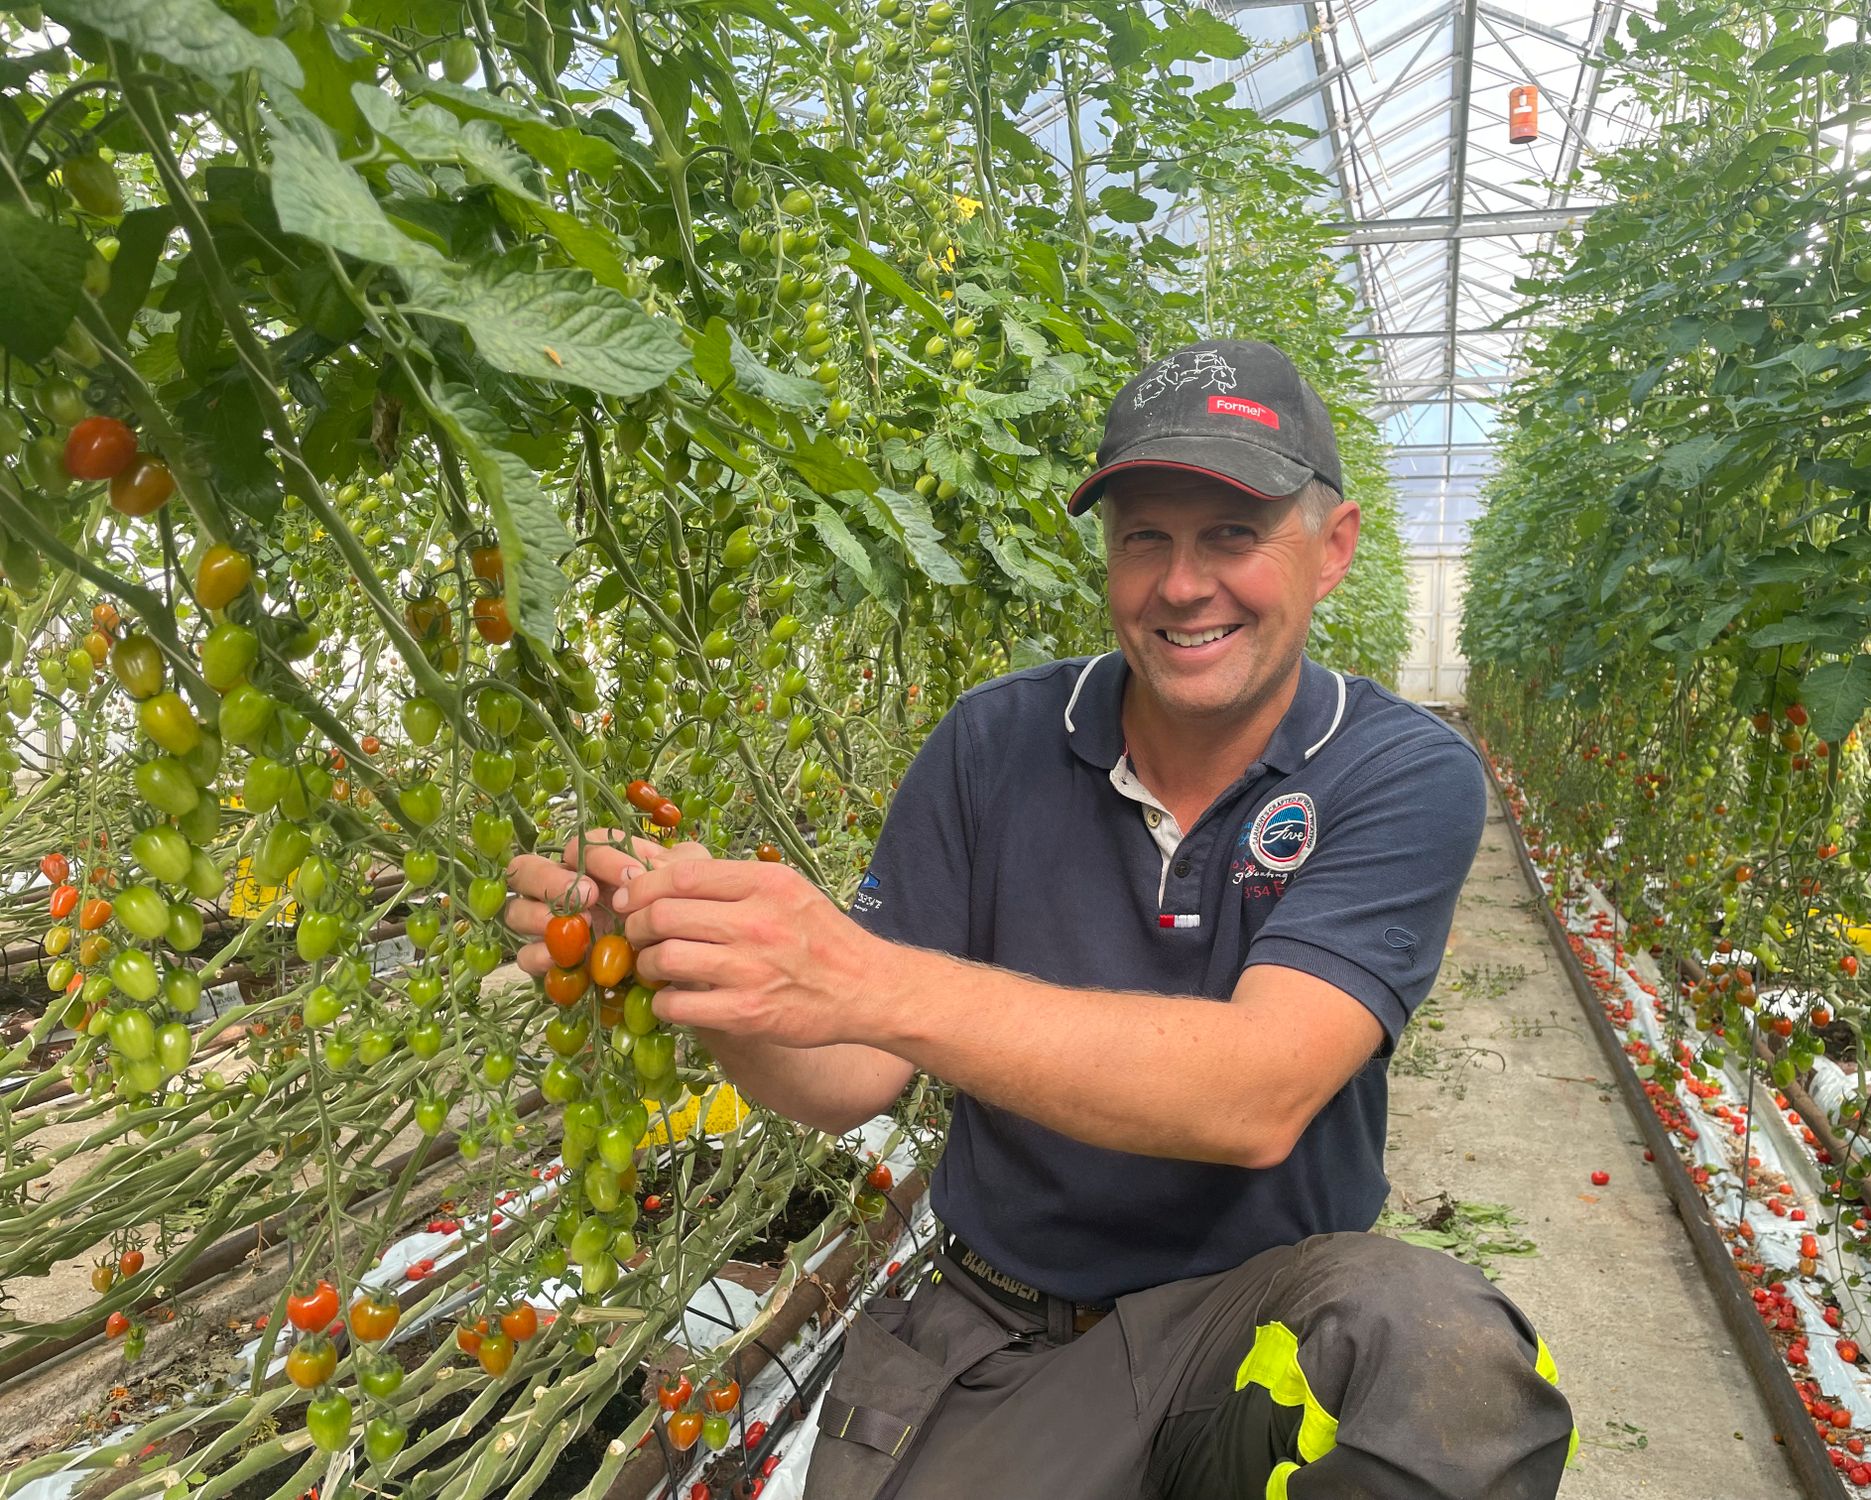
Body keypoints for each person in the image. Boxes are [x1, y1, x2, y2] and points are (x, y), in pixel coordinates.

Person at [503, 340, 1576, 1500]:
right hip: (1007, 1327)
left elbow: (1257, 1093)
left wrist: (858, 975)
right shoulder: (992, 743)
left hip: (1258, 1322)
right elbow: (849, 1077)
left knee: (1441, 1357)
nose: (1181, 584)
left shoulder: (1395, 770)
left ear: (1332, 549)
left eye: (1231, 535)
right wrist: (694, 969)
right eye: (1143, 539)